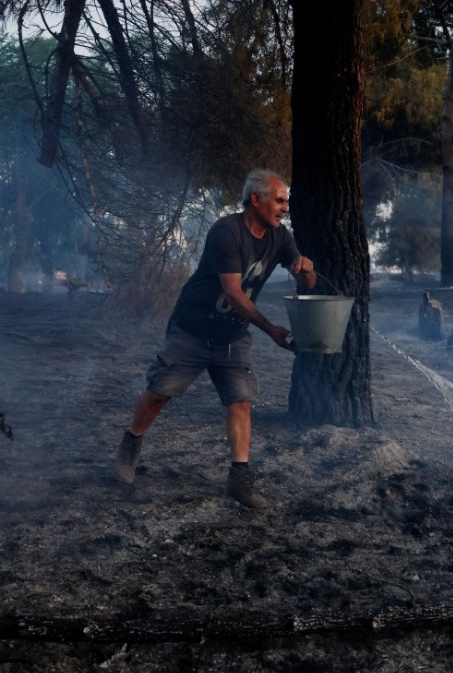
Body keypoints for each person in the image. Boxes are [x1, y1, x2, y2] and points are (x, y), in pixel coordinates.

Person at [113, 169, 315, 508]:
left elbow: (308, 285)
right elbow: (234, 293)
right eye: (280, 200)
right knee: (159, 394)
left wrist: (304, 267)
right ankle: (130, 445)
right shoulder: (226, 232)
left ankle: (239, 480)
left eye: (286, 202)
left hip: (233, 336)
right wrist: (271, 331)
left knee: (241, 402)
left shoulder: (281, 237)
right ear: (256, 199)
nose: (286, 208)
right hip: (192, 329)